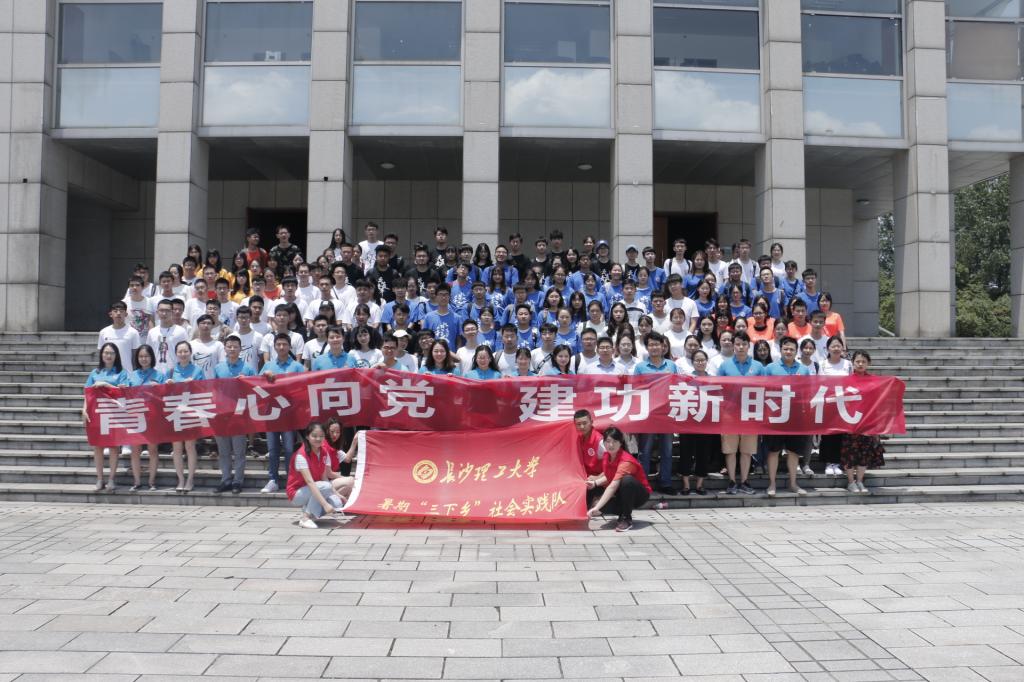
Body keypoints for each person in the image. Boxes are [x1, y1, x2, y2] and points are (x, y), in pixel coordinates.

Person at [717, 331, 765, 495]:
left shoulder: (758, 366)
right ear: (733, 346)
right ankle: (732, 481)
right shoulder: (725, 366)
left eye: (744, 344)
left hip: (750, 414)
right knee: (730, 450)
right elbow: (718, 389)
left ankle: (744, 481)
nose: (741, 347)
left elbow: (765, 388)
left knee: (746, 451)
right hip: (729, 414)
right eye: (737, 344)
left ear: (748, 346)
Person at [763, 337, 812, 497]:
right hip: (775, 416)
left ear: (796, 351)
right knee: (773, 451)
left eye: (791, 349)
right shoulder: (770, 368)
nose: (788, 352)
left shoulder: (804, 370)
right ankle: (772, 484)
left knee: (793, 452)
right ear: (780, 350)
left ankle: (793, 483)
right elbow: (763, 391)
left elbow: (807, 393)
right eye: (785, 349)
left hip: (796, 417)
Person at [632, 332, 678, 494]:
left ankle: (665, 483)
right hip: (648, 414)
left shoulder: (671, 366)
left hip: (667, 414)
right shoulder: (640, 367)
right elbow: (635, 390)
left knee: (667, 451)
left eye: (657, 344)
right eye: (651, 344)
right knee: (645, 451)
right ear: (647, 347)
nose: (654, 347)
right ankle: (643, 484)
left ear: (663, 346)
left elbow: (677, 387)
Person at [260, 334, 306, 493]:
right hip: (271, 414)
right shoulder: (268, 366)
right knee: (273, 449)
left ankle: (290, 479)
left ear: (289, 346)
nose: (281, 347)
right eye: (278, 344)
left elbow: (303, 387)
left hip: (289, 414)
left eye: (284, 344)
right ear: (274, 347)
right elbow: (257, 385)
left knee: (288, 449)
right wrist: (264, 376)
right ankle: (273, 479)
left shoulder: (297, 367)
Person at [212, 335, 256, 494]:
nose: (232, 349)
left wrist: (247, 380)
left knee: (239, 451)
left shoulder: (248, 368)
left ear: (240, 349)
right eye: (229, 346)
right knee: (223, 451)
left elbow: (256, 389)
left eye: (235, 346)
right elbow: (213, 390)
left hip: (240, 415)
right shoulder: (218, 368)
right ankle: (225, 479)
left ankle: (238, 481)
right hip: (222, 414)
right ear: (224, 349)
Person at [82, 343, 129, 493]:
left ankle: (111, 479)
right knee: (98, 447)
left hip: (114, 414)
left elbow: (124, 392)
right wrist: (84, 409)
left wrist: (106, 384)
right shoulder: (95, 372)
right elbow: (87, 393)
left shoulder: (122, 373)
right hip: (97, 414)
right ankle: (100, 478)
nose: (108, 356)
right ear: (101, 354)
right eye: (106, 353)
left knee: (114, 447)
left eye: (112, 353)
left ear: (116, 356)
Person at [586, 427, 651, 532]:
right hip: (620, 491)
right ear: (603, 442)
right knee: (594, 491)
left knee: (627, 480)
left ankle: (626, 519)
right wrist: (595, 483)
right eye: (608, 441)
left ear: (621, 443)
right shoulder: (606, 456)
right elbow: (609, 476)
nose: (611, 445)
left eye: (615, 441)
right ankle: (621, 513)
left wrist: (596, 508)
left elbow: (613, 486)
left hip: (639, 495)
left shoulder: (626, 461)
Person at [287, 422, 352, 529]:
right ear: (307, 436)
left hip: (316, 487)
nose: (318, 439)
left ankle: (310, 512)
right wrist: (325, 505)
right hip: (297, 493)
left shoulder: (323, 452)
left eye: (321, 436)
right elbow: (310, 482)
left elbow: (324, 478)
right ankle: (305, 518)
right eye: (314, 436)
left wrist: (337, 494)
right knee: (325, 487)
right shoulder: (301, 455)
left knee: (337, 503)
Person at [841, 350, 885, 494]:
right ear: (852, 363)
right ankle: (850, 482)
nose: (860, 364)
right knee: (849, 452)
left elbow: (877, 403)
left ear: (868, 364)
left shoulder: (873, 381)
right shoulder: (846, 380)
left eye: (863, 362)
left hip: (867, 421)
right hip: (850, 421)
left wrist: (876, 425)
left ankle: (860, 480)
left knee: (864, 452)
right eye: (858, 361)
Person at [164, 340, 205, 493]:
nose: (183, 354)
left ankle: (190, 479)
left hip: (191, 412)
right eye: (180, 352)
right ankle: (180, 479)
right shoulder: (170, 371)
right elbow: (163, 393)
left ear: (190, 352)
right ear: (176, 354)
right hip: (175, 413)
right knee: (177, 447)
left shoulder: (197, 370)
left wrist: (194, 384)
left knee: (190, 446)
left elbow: (204, 391)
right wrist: (167, 385)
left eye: (185, 351)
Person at [677, 349, 716, 495]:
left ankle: (700, 484)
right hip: (688, 421)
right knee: (685, 452)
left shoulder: (714, 379)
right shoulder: (686, 379)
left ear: (707, 362)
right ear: (692, 363)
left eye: (702, 360)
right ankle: (686, 484)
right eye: (697, 360)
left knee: (703, 453)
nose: (700, 362)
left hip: (706, 421)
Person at [98, 301, 141, 373]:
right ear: (110, 314)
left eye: (121, 311)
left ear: (126, 314)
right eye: (115, 311)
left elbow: (135, 356)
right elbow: (101, 355)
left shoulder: (133, 332)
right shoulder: (103, 332)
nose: (118, 313)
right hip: (108, 374)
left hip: (127, 373)